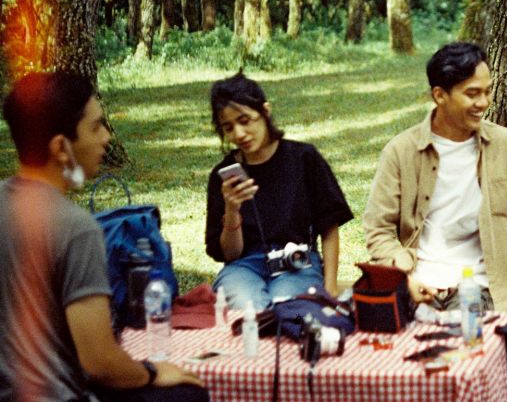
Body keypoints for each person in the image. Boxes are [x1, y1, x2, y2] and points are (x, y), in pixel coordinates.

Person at [0, 71, 207, 402]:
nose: (107, 137)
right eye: (96, 127)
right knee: (188, 393)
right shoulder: (75, 227)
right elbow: (99, 362)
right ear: (61, 147)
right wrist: (153, 372)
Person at [362, 41, 507, 315]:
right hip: (418, 284)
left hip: (479, 290)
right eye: (472, 94)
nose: (483, 103)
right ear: (440, 95)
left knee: (459, 348)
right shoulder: (400, 151)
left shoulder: (506, 146)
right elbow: (378, 229)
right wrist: (403, 277)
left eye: (487, 92)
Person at [205, 72, 354, 311]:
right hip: (243, 267)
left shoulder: (304, 158)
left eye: (245, 120)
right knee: (249, 310)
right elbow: (230, 255)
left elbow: (329, 228)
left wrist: (330, 286)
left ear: (265, 111)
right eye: (228, 127)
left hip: (297, 263)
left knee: (287, 308)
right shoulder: (223, 176)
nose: (239, 134)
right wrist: (232, 209)